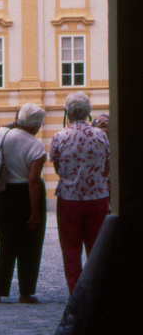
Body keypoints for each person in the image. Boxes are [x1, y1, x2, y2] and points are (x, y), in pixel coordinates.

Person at [50, 91, 110, 296]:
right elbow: (107, 168)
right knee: (96, 249)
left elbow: (58, 168)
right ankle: (96, 293)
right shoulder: (101, 135)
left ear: (67, 112)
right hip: (98, 198)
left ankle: (76, 293)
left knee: (70, 249)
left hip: (69, 198)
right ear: (88, 113)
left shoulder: (59, 136)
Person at [0, 103, 47, 305]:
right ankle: (25, 292)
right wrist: (35, 211)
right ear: (37, 124)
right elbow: (33, 180)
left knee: (5, 243)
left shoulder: (4, 134)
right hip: (26, 194)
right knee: (30, 245)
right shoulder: (36, 146)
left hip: (4, 194)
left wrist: (17, 122)